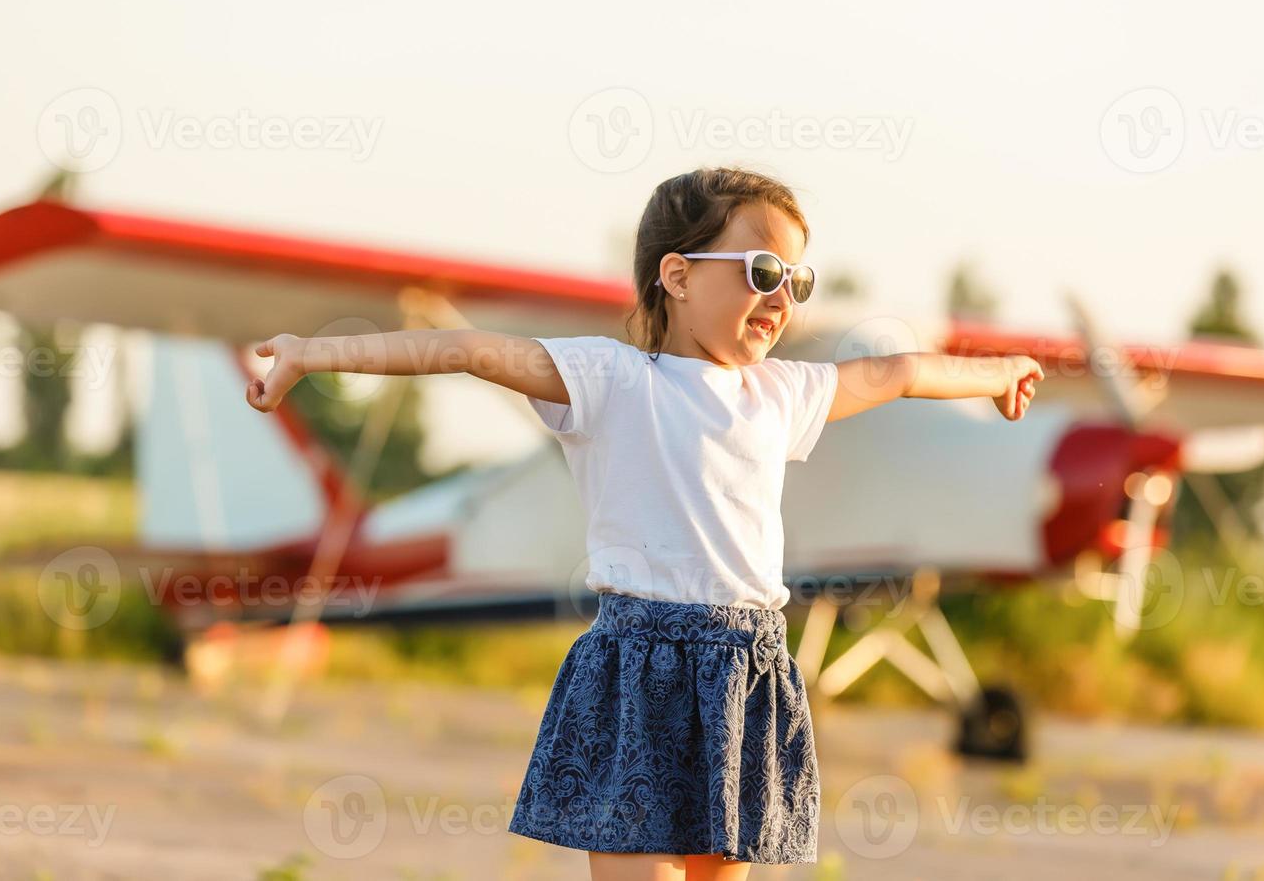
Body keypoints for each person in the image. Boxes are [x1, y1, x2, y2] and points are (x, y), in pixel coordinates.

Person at [245, 167, 1043, 879]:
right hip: (640, 666)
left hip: (748, 667)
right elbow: (469, 350)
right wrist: (310, 355)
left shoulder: (782, 394)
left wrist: (999, 370)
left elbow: (895, 371)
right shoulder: (613, 377)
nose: (782, 298)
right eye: (763, 271)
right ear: (678, 275)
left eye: (797, 281)